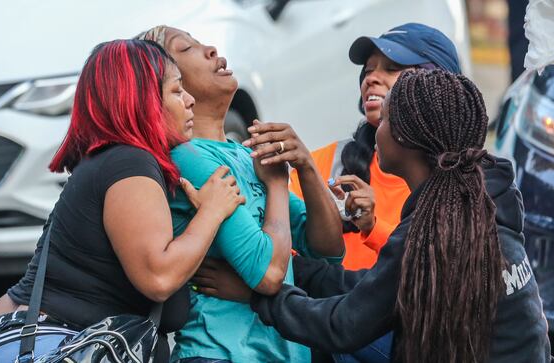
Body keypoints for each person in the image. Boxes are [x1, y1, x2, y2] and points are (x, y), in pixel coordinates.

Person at [204, 70, 552, 362]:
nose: (374, 129)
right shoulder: (483, 201)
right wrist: (302, 272)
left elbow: (341, 325)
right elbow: (382, 288)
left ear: (405, 137)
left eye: (383, 120)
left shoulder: (433, 233)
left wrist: (260, 296)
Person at [0, 39, 245, 363]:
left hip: (27, 340)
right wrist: (212, 211)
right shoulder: (129, 164)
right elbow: (159, 278)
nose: (190, 100)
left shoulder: (115, 161)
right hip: (47, 344)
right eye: (176, 91)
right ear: (144, 102)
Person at [136, 26, 344, 362]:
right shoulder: (186, 158)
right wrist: (277, 184)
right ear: (167, 82)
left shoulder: (246, 156)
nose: (212, 50)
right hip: (222, 353)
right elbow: (268, 274)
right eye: (187, 48)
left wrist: (305, 166)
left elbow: (329, 249)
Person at [279, 23, 462, 271]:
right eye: (367, 70)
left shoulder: (463, 182)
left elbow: (438, 273)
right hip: (321, 306)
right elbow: (284, 251)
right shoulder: (325, 162)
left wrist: (373, 227)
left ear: (436, 87)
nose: (370, 78)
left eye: (392, 68)